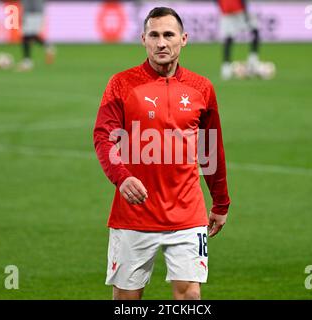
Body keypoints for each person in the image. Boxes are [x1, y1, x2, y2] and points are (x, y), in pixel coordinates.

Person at [93, 7, 230, 300]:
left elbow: (211, 149)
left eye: (168, 35)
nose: (161, 42)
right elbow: (103, 137)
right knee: (127, 300)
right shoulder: (121, 83)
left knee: (190, 297)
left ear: (184, 39)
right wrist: (121, 177)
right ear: (143, 39)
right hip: (133, 215)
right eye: (154, 35)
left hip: (187, 214)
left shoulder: (202, 88)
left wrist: (220, 202)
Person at [218, 0, 260, 80]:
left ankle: (226, 68)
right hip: (238, 9)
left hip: (226, 9)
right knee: (255, 31)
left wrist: (221, 7)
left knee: (228, 38)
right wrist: (245, 12)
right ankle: (253, 61)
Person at [17, 0, 55, 71]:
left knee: (27, 36)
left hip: (33, 12)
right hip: (33, 12)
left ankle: (27, 61)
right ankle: (48, 47)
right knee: (30, 35)